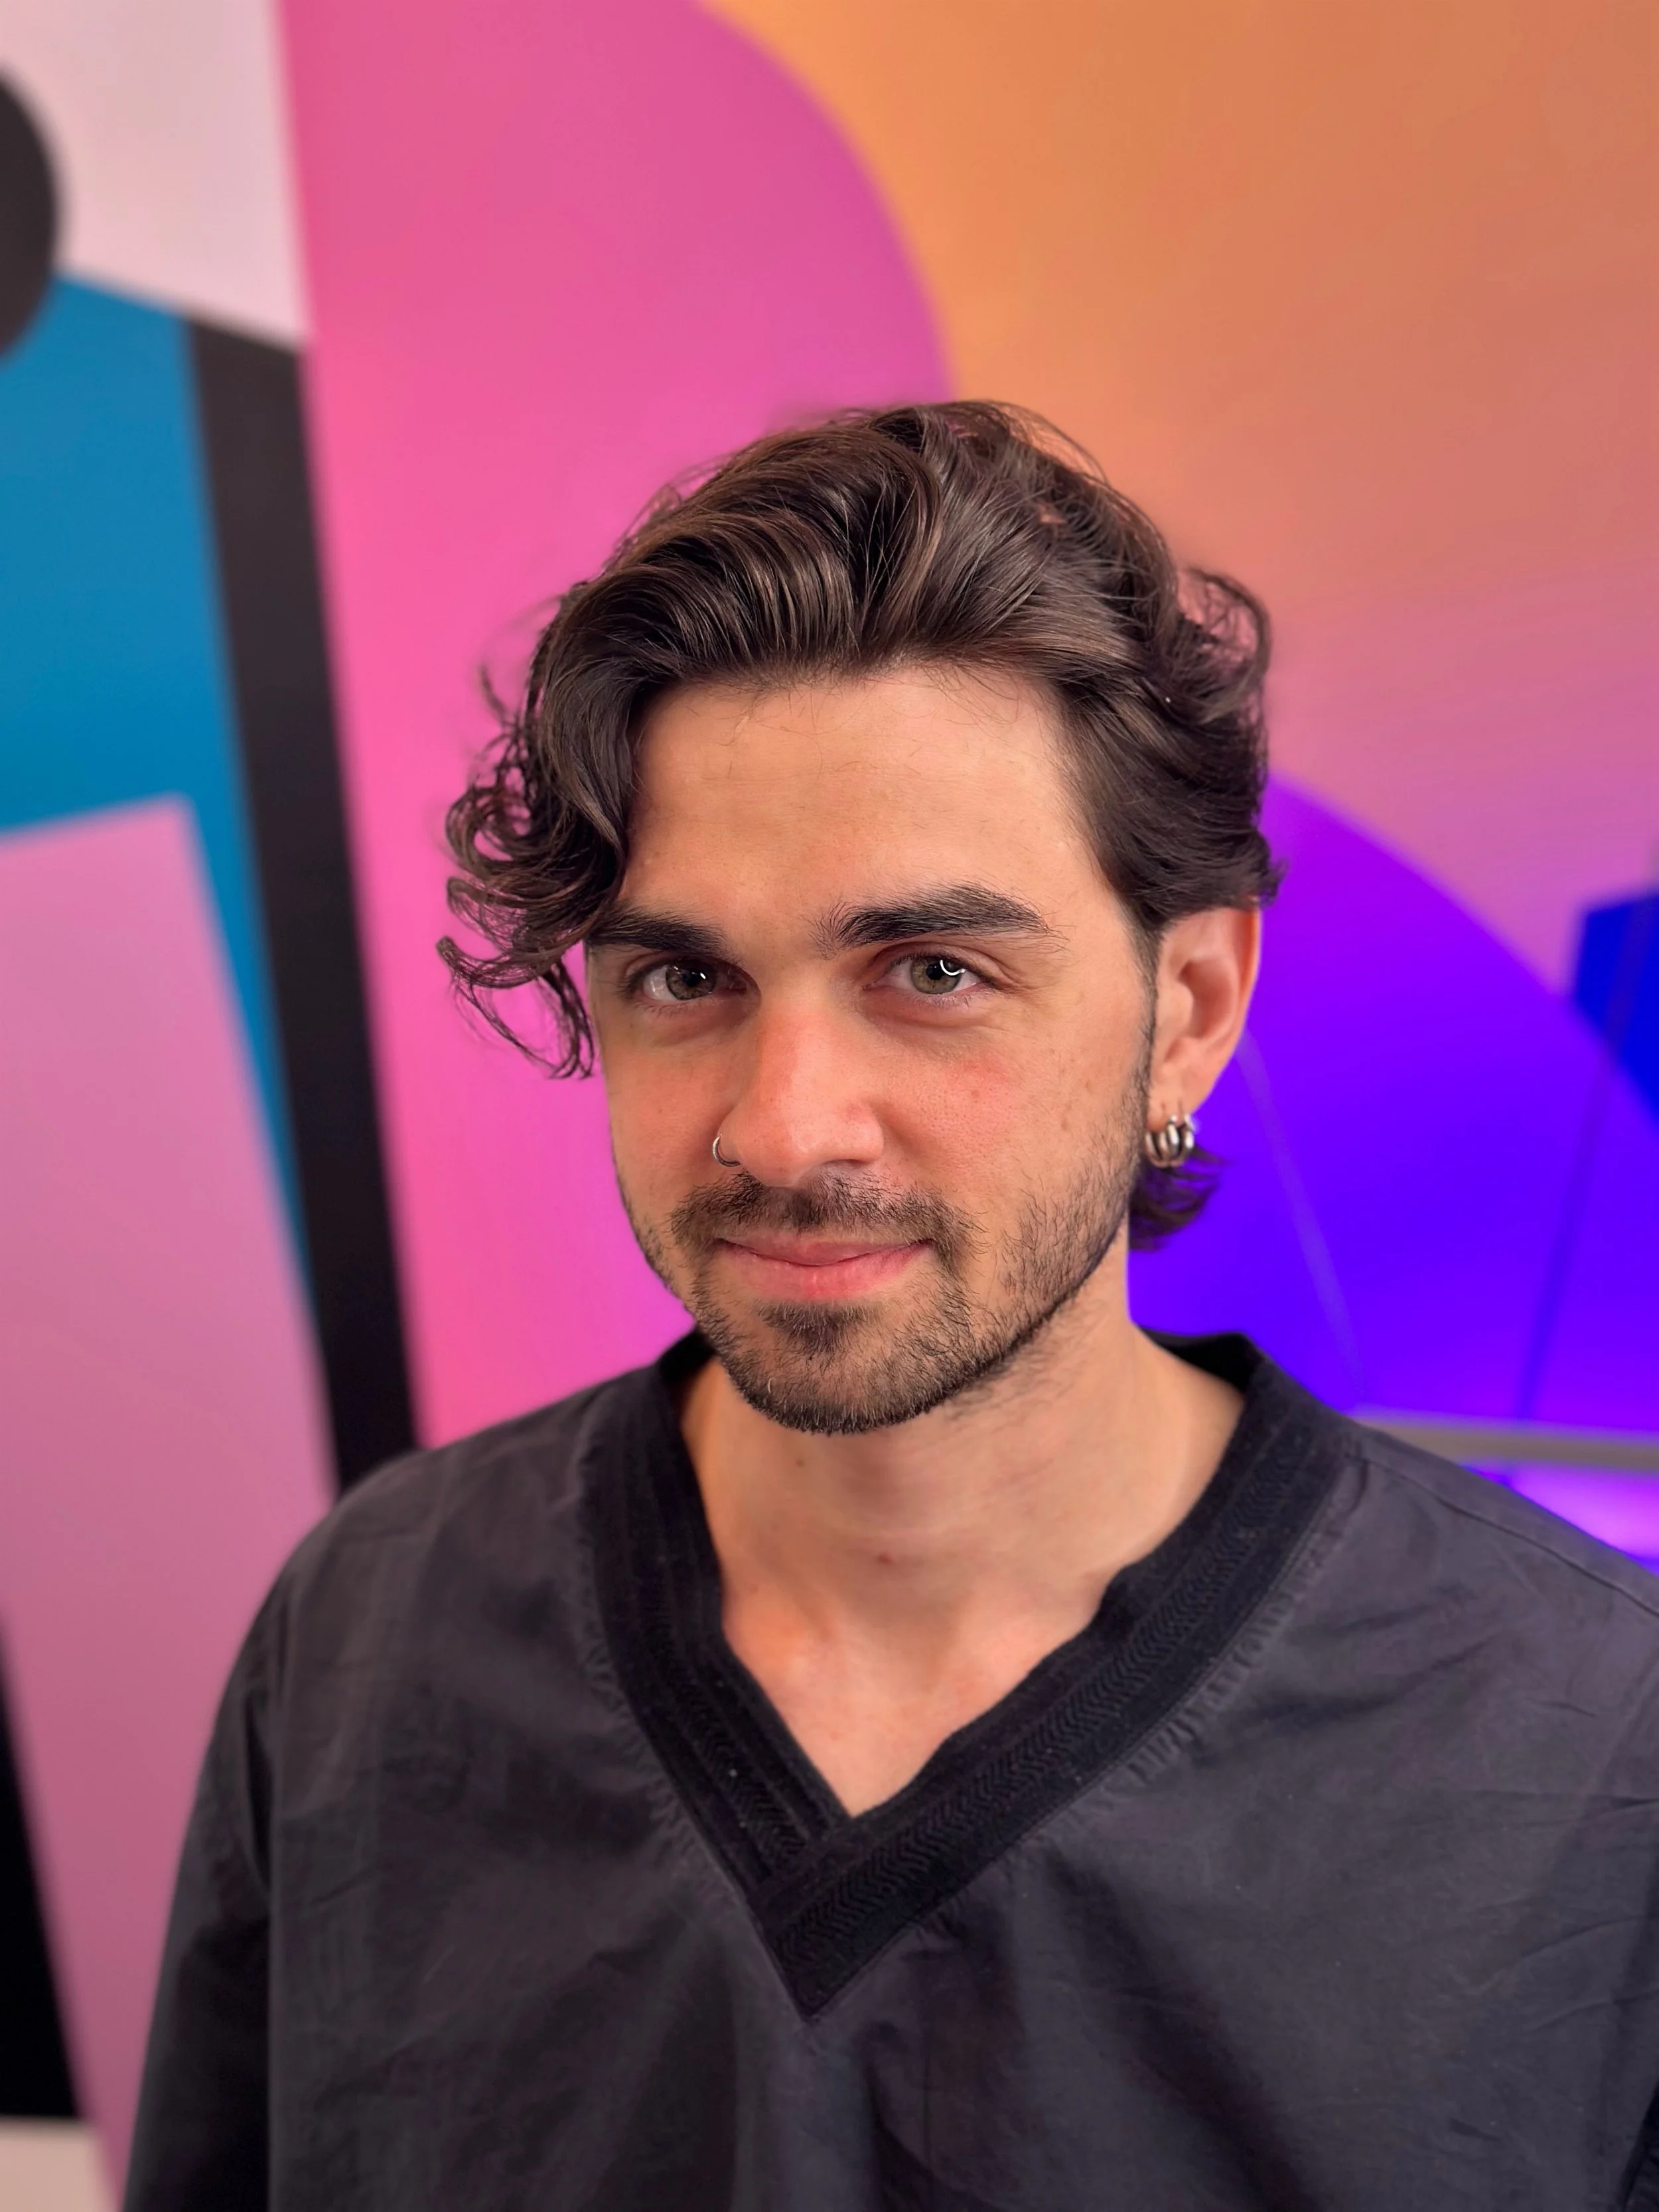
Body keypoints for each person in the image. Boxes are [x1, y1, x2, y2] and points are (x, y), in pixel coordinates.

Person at [125, 404, 1659, 2210]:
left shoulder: (1586, 1741)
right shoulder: (370, 1634)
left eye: (930, 971)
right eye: (686, 975)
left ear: (1189, 1001)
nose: (783, 1124)